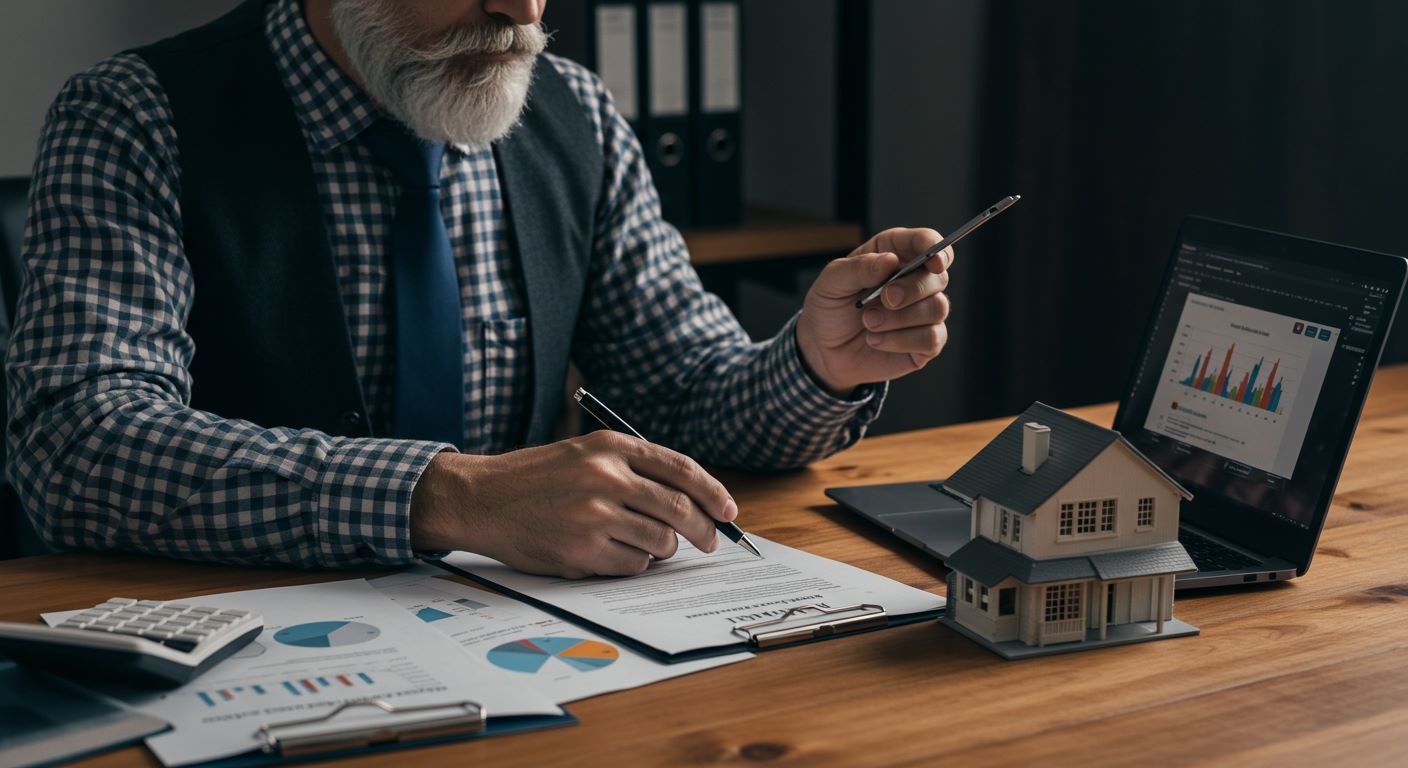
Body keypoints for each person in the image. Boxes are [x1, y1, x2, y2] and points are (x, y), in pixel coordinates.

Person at [7, 0, 953, 578]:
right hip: (233, 653)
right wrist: (450, 497)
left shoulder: (574, 111)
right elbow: (75, 443)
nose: (521, 11)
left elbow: (684, 395)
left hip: (521, 652)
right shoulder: (133, 118)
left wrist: (815, 367)